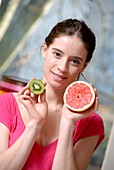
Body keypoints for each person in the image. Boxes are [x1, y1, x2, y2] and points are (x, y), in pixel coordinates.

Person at [0, 18, 104, 170]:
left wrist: (68, 123)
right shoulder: (7, 103)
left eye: (74, 61)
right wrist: (34, 125)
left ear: (84, 66)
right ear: (44, 50)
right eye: (57, 54)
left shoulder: (91, 124)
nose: (62, 67)